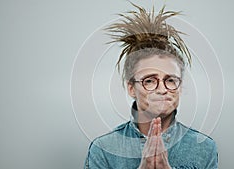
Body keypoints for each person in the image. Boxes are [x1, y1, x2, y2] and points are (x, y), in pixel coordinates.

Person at [84, 3, 218, 169]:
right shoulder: (103, 150)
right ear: (131, 88)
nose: (162, 89)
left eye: (170, 80)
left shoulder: (204, 148)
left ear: (180, 87)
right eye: (149, 81)